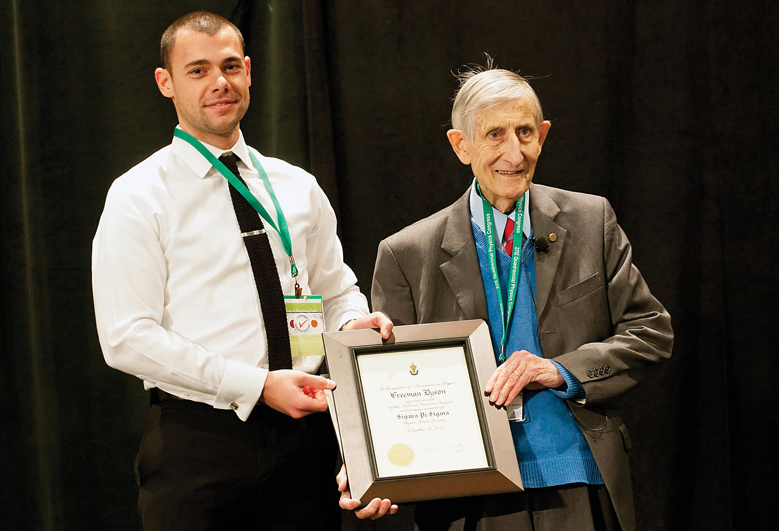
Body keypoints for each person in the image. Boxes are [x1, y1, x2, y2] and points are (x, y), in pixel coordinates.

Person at [92, 11, 395, 530]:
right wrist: (255, 385)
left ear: (250, 72)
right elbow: (126, 337)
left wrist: (351, 325)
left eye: (231, 66)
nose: (219, 82)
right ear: (165, 82)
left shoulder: (297, 185)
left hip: (309, 443)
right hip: (200, 446)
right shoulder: (138, 195)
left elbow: (336, 291)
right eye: (198, 70)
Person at [370, 63, 674, 530]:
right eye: (495, 134)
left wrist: (559, 370)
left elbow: (650, 333)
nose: (514, 152)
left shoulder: (592, 221)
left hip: (578, 478)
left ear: (543, 135)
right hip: (466, 492)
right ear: (460, 145)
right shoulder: (406, 254)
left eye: (525, 132)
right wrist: (370, 464)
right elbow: (387, 385)